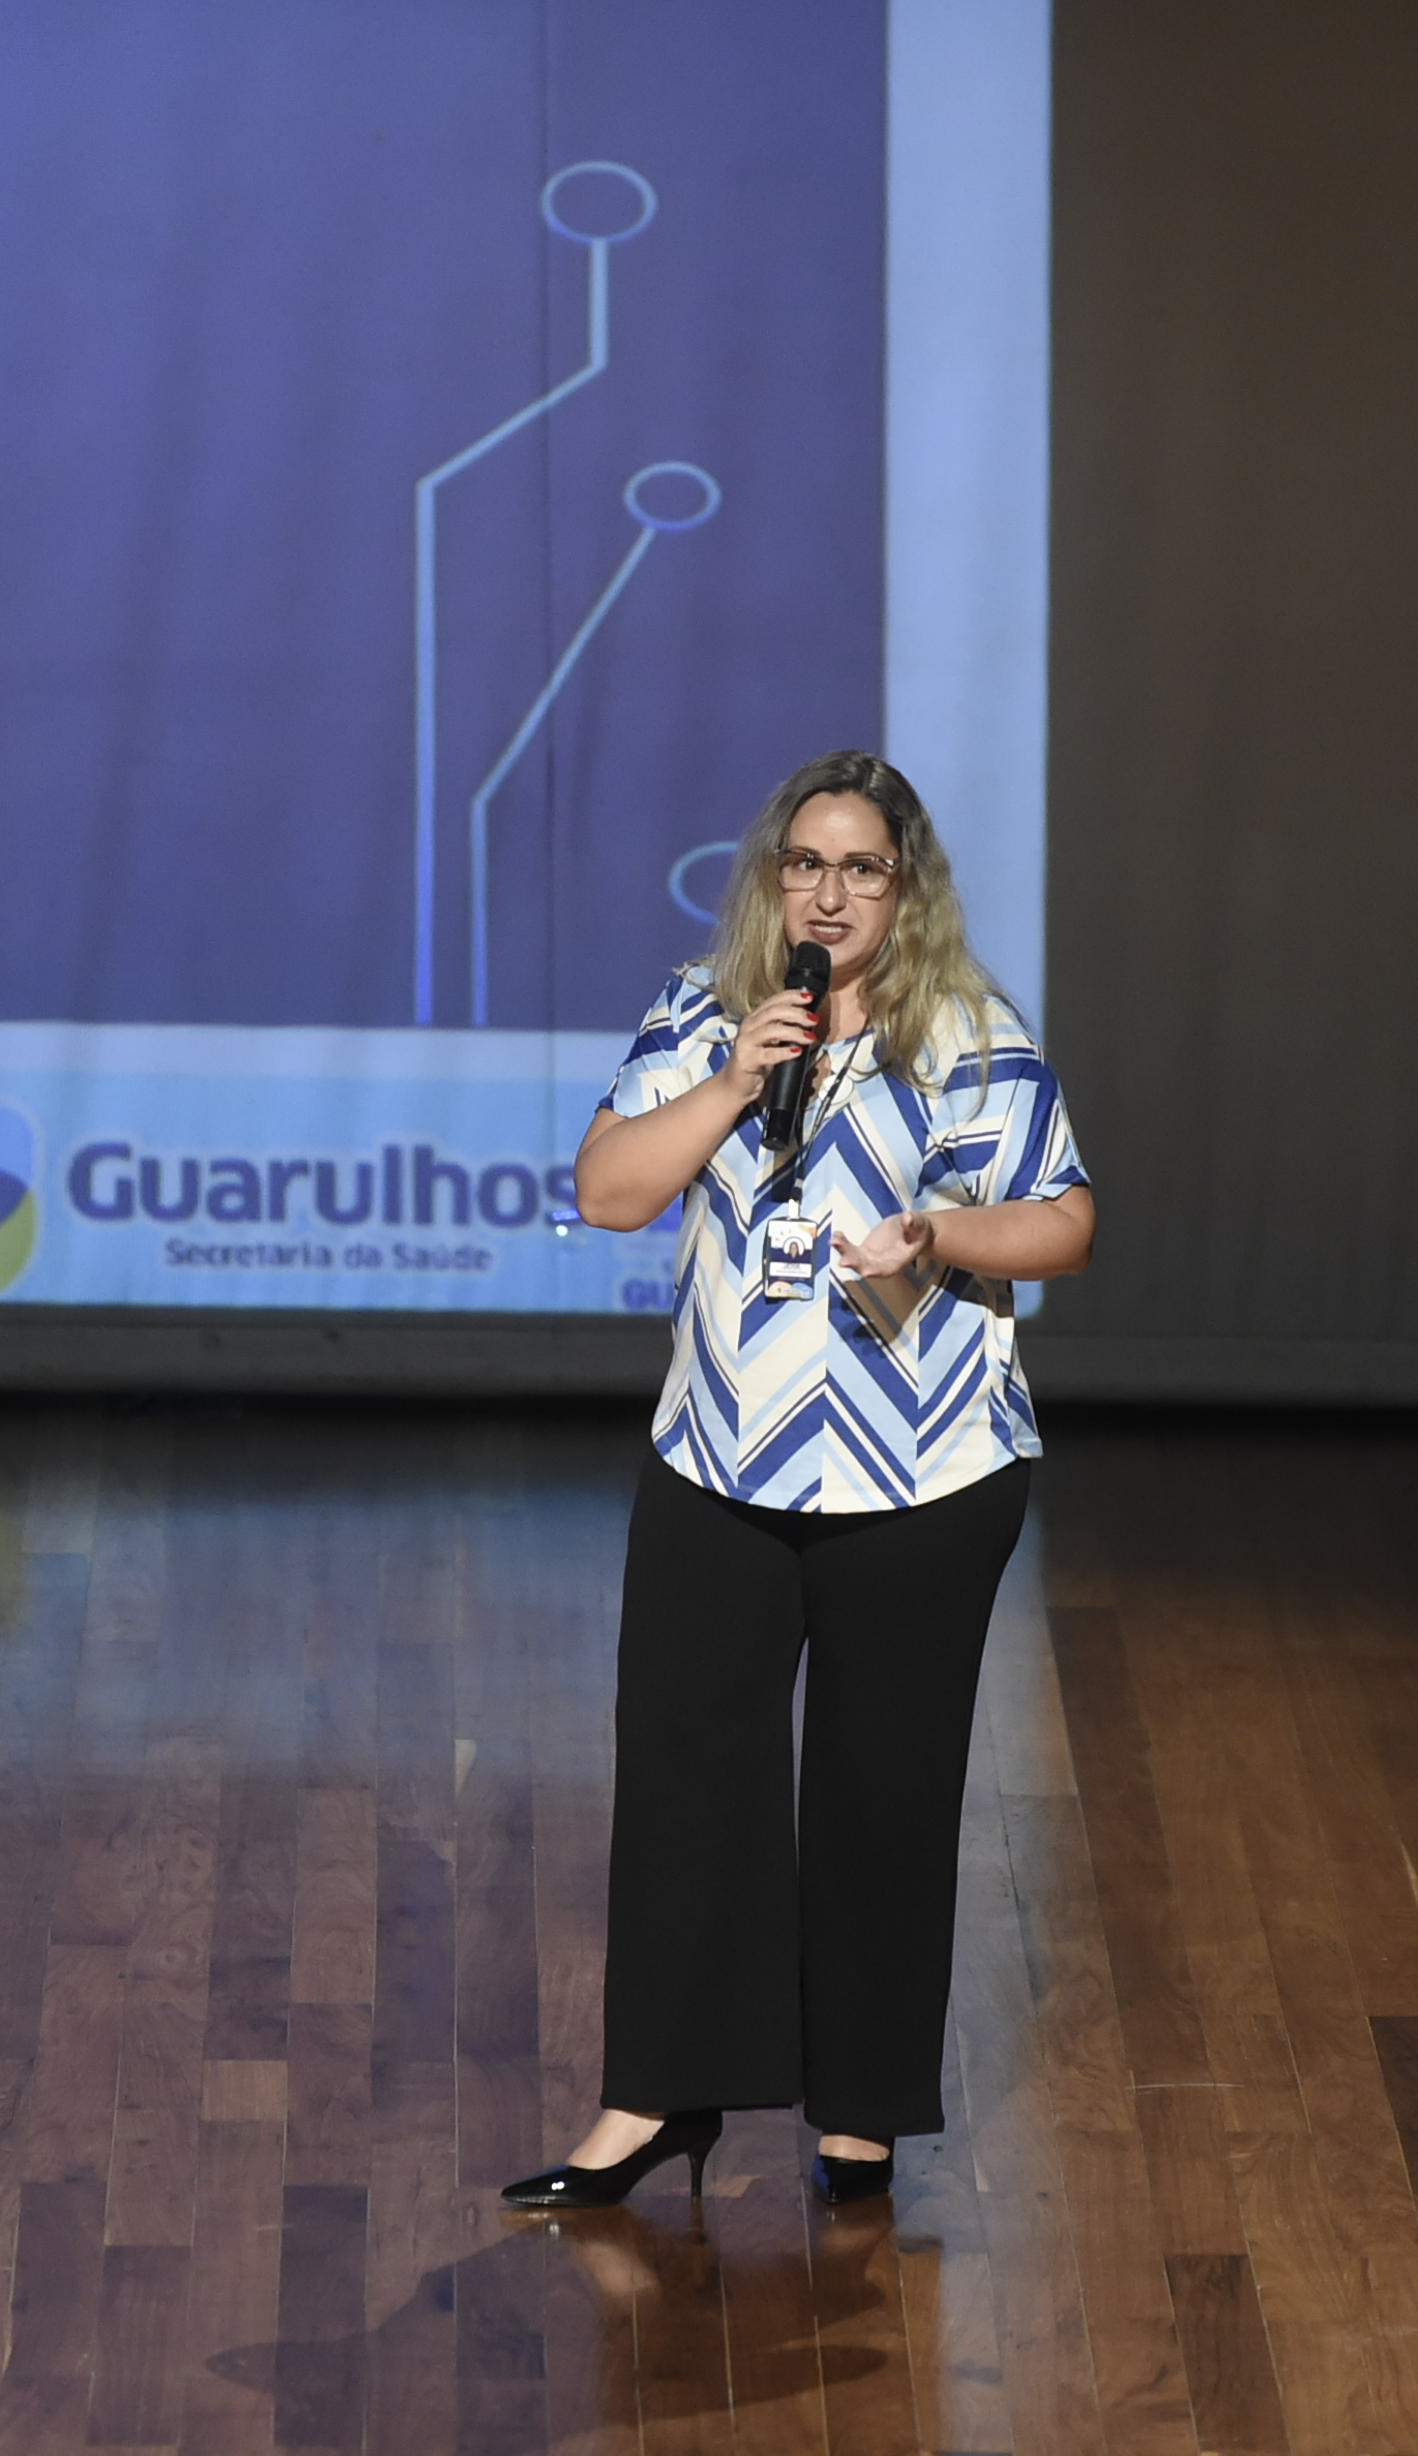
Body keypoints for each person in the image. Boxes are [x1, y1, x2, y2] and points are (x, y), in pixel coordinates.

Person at [501, 749, 1094, 2214]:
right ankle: (656, 2100)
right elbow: (608, 1193)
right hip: (722, 1461)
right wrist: (733, 1081)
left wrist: (939, 1237)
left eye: (862, 870)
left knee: (885, 1792)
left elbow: (1066, 1223)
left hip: (925, 1475)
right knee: (685, 1780)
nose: (831, 897)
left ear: (907, 890)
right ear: (774, 881)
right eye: (807, 866)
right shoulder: (704, 1014)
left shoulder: (969, 1035)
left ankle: (861, 2117)